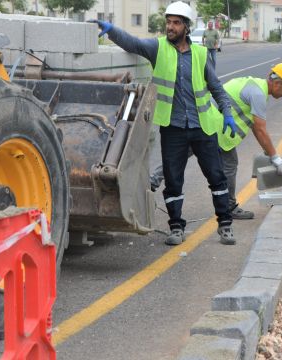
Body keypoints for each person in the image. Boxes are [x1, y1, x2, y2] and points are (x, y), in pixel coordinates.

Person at [89, 1, 237, 246]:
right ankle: (176, 228)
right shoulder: (158, 48)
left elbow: (217, 89)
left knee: (217, 177)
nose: (170, 26)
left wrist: (227, 113)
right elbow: (133, 44)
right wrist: (112, 30)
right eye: (168, 22)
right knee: (173, 179)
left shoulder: (201, 55)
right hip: (174, 128)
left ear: (186, 27)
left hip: (204, 127)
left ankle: (225, 224)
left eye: (176, 23)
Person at [150, 63, 282, 219]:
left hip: (204, 119)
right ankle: (229, 206)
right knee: (229, 165)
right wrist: (275, 157)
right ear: (278, 83)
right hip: (214, 126)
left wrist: (269, 151)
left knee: (181, 155)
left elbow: (255, 126)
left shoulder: (253, 85)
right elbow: (261, 129)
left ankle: (152, 181)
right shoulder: (258, 94)